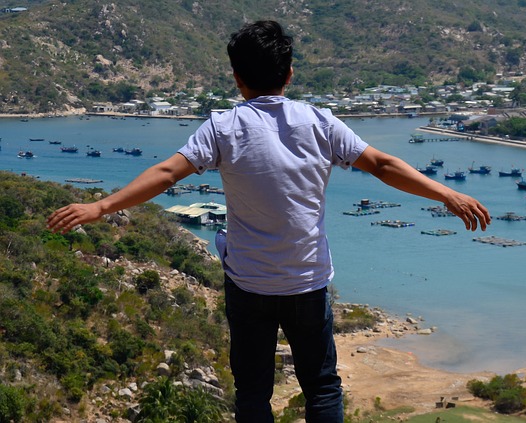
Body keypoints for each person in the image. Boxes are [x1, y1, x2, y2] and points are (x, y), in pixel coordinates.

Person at [47, 20, 490, 423]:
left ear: (237, 78)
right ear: (289, 74)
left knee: (253, 393)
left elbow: (166, 174)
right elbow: (382, 164)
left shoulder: (222, 128)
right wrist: (447, 193)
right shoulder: (320, 122)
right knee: (322, 388)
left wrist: (101, 207)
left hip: (249, 284)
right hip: (307, 282)